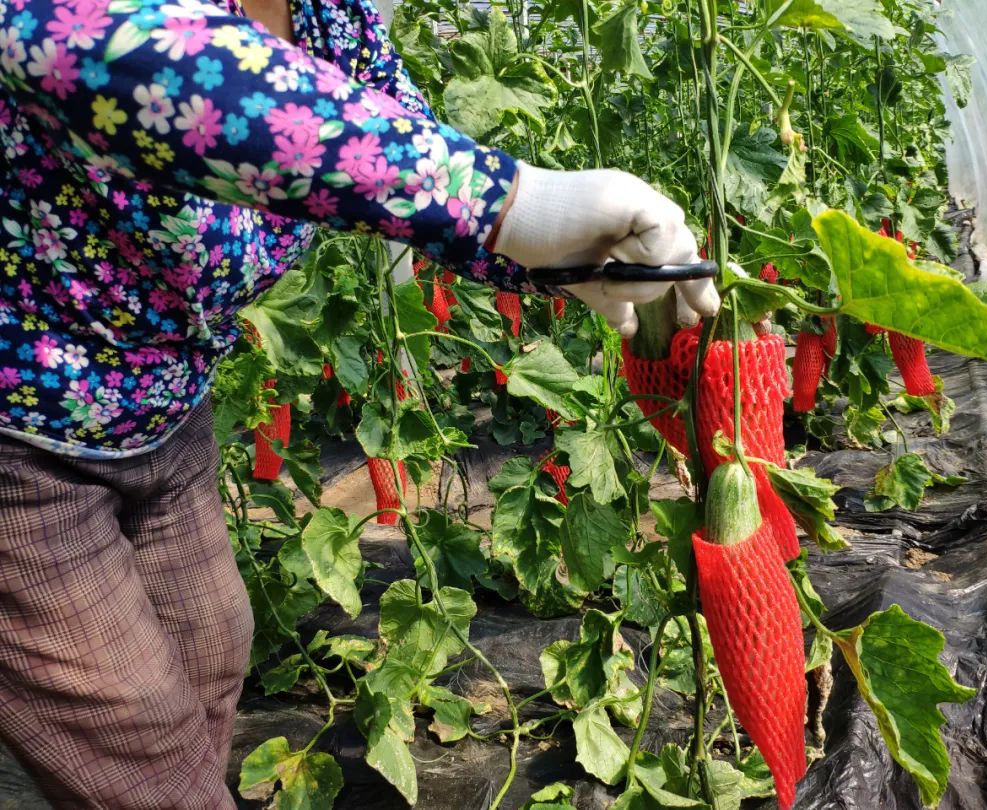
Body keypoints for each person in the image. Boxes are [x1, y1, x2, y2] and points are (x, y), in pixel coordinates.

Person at [0, 0, 720, 806]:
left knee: (210, 651)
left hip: (166, 410)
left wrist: (561, 259)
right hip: (23, 434)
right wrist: (512, 201)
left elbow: (402, 157)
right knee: (135, 740)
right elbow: (112, 49)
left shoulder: (327, 15)